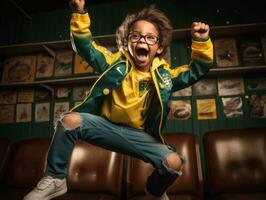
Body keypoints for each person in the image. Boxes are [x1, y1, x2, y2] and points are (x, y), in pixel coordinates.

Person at [24, 0, 213, 199]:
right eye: (136, 36)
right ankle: (55, 178)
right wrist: (78, 12)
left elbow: (196, 71)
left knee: (174, 163)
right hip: (105, 127)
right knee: (68, 120)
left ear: (159, 47)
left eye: (150, 38)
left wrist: (201, 41)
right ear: (126, 43)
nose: (142, 41)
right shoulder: (114, 63)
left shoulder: (165, 77)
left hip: (139, 136)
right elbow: (85, 46)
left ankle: (154, 191)